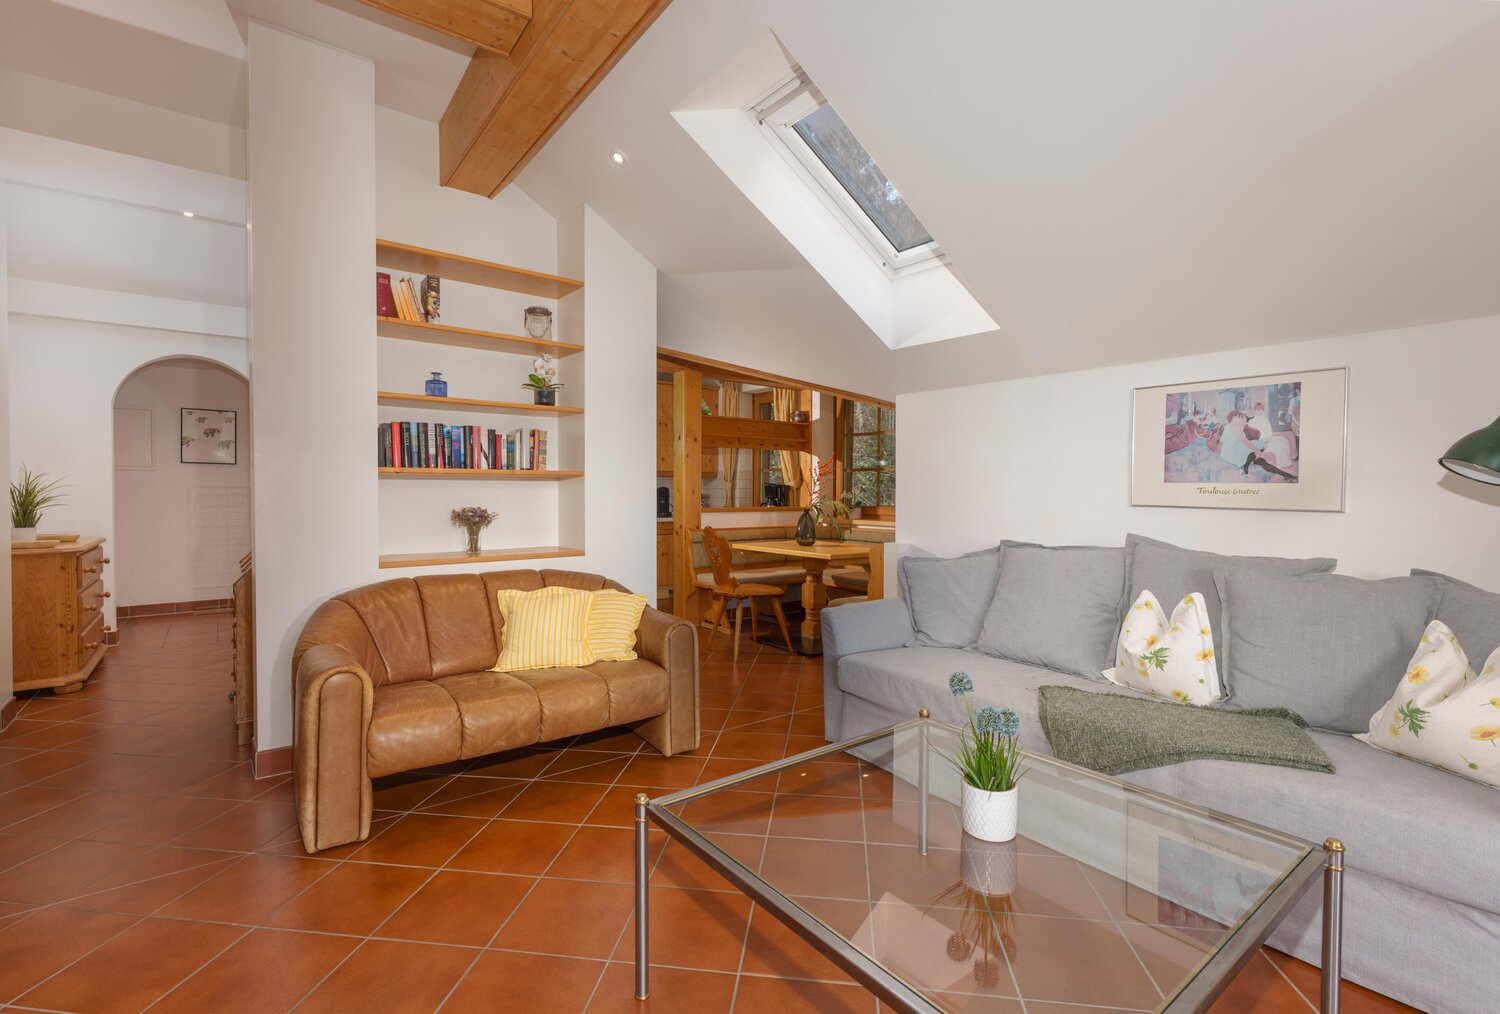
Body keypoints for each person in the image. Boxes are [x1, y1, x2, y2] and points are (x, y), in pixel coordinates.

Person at [1219, 411, 1296, 480]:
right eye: (1240, 417)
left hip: (1230, 450)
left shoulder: (1229, 426)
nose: (1241, 419)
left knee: (1261, 459)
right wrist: (1256, 451)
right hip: (1232, 453)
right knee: (1259, 449)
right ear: (1234, 418)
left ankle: (1287, 475)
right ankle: (1287, 476)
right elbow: (1245, 442)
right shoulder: (1234, 427)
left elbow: (1227, 440)